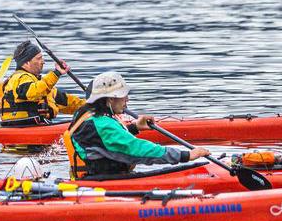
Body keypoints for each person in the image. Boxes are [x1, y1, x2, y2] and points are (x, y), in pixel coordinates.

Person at [62, 71, 210, 179]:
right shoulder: (102, 124)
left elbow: (105, 143)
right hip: (103, 182)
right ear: (110, 100)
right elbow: (138, 149)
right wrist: (186, 155)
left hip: (97, 176)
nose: (127, 99)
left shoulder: (88, 115)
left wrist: (134, 127)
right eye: (122, 95)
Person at [0, 40, 85, 127]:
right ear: (26, 63)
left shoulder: (42, 85)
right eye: (39, 58)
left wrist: (92, 105)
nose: (43, 62)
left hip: (39, 125)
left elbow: (69, 103)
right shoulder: (19, 78)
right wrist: (56, 74)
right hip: (22, 127)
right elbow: (33, 92)